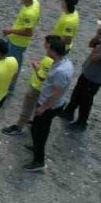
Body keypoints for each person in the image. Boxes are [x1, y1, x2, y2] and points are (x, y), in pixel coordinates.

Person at [61, 16, 101, 130]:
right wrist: (98, 37)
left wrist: (97, 46)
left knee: (86, 101)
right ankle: (68, 113)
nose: (100, 28)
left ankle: (82, 122)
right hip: (88, 71)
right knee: (77, 93)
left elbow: (95, 58)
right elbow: (91, 44)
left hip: (95, 78)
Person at [26, 36, 71, 172]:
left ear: (53, 51)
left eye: (48, 47)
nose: (46, 49)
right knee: (40, 128)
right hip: (53, 104)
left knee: (38, 131)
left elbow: (56, 93)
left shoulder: (60, 71)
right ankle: (36, 147)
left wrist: (43, 107)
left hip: (49, 105)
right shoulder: (64, 63)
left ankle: (39, 161)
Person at [1, 34, 55, 137]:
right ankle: (32, 122)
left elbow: (42, 76)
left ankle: (19, 127)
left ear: (49, 45)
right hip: (41, 88)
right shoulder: (53, 60)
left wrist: (36, 66)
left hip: (36, 87)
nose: (44, 44)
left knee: (26, 108)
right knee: (33, 108)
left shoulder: (49, 60)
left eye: (45, 43)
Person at [1, 0, 41, 98]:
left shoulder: (29, 13)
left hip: (17, 42)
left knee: (13, 64)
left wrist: (10, 31)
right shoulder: (35, 3)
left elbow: (29, 32)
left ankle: (9, 88)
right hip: (15, 40)